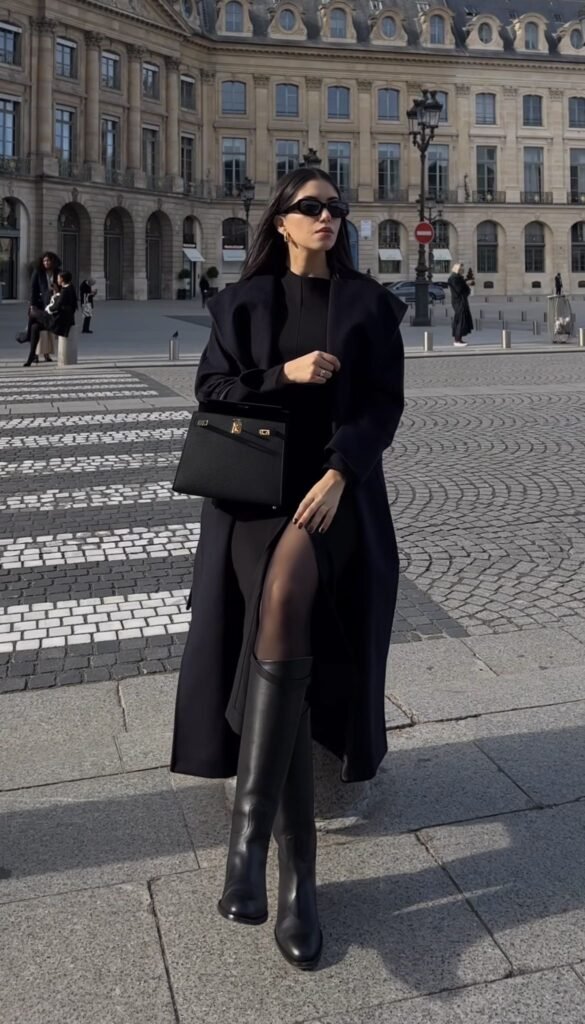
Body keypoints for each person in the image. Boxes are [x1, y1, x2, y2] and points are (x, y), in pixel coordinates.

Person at [171, 168, 406, 971]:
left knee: (288, 591)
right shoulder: (243, 307)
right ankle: (290, 870)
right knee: (284, 613)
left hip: (334, 497)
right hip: (252, 501)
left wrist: (341, 472)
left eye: (336, 209)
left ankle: (263, 852)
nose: (327, 218)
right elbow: (211, 392)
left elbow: (383, 406)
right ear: (280, 221)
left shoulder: (369, 306)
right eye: (311, 208)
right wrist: (286, 375)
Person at [23, 252, 60, 367]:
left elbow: (63, 289)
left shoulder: (58, 272)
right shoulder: (38, 272)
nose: (46, 263)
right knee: (35, 323)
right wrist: (32, 305)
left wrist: (56, 289)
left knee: (36, 328)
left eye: (48, 260)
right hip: (39, 305)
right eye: (44, 261)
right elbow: (33, 291)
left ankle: (30, 344)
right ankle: (33, 354)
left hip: (52, 306)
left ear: (53, 261)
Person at [49, 271, 78, 358]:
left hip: (62, 319)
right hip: (67, 317)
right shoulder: (70, 287)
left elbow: (58, 305)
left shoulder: (65, 290)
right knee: (35, 324)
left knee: (37, 317)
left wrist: (48, 309)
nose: (57, 280)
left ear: (62, 279)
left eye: (58, 278)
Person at [448, 262, 473, 348]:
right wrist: (467, 285)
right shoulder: (454, 278)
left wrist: (465, 284)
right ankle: (457, 340)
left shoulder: (458, 278)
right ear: (458, 269)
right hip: (458, 301)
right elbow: (459, 290)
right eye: (462, 269)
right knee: (460, 319)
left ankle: (459, 338)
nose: (463, 271)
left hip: (461, 300)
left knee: (462, 319)